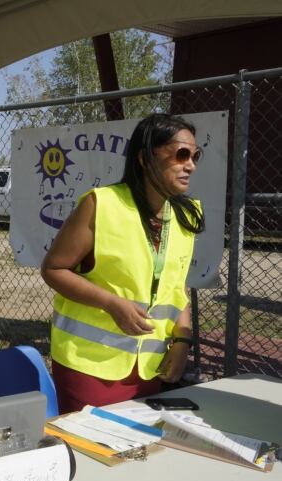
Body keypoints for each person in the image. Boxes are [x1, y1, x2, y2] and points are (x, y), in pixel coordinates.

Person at [41, 113, 205, 414]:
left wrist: (183, 341)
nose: (190, 164)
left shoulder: (187, 214)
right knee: (92, 454)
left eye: (195, 155)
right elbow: (53, 269)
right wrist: (111, 303)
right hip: (90, 365)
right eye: (181, 154)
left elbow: (177, 284)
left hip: (150, 367)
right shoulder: (101, 204)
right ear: (145, 158)